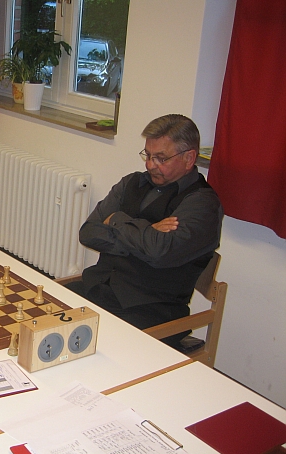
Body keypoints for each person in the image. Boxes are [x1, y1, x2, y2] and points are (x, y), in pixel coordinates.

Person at [65, 114, 223, 346]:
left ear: (189, 158)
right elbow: (88, 233)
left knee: (88, 347)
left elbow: (159, 252)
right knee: (40, 313)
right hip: (99, 288)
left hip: (151, 309)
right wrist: (148, 233)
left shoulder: (202, 204)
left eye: (161, 158)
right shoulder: (132, 182)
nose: (150, 165)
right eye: (147, 155)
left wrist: (117, 220)